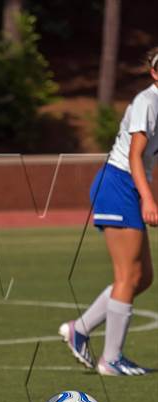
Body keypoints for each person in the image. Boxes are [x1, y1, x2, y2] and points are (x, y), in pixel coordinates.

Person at [59, 47, 158, 376]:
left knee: (142, 277)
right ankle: (111, 359)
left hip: (126, 187)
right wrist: (147, 198)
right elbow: (134, 155)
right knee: (128, 276)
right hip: (119, 186)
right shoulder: (148, 101)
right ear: (154, 73)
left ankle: (80, 328)